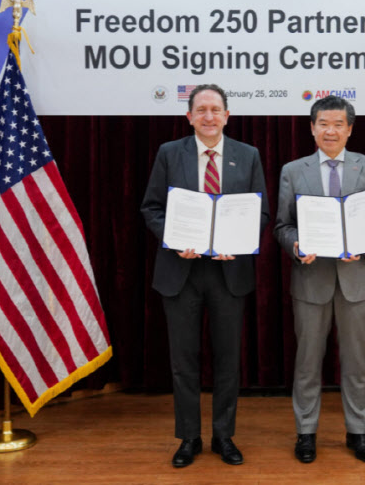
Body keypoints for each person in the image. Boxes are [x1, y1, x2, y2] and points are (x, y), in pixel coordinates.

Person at [141, 84, 269, 468]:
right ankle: (189, 438)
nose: (209, 117)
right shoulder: (169, 153)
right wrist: (174, 238)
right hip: (181, 271)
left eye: (215, 110)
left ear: (227, 116)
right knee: (184, 361)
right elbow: (151, 208)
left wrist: (239, 242)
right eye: (201, 110)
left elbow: (260, 213)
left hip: (229, 272)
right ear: (189, 117)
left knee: (228, 360)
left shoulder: (248, 155)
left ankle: (224, 436)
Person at [273, 95, 365, 464]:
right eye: (323, 124)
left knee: (357, 361)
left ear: (349, 129)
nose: (330, 131)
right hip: (311, 279)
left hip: (357, 279)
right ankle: (306, 432)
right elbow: (282, 225)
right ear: (312, 128)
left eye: (338, 124)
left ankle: (358, 432)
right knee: (307, 361)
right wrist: (296, 245)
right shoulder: (293, 170)